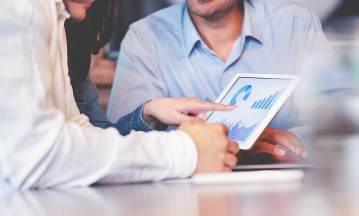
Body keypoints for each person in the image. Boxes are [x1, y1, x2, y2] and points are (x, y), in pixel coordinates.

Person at [0, 0, 239, 190]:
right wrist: (187, 149)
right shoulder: (24, 6)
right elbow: (35, 155)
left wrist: (148, 113)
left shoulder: (56, 16)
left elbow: (80, 130)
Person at [108, 0, 352, 161]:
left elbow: (338, 125)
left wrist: (279, 145)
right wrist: (230, 143)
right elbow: (124, 143)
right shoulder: (145, 37)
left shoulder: (296, 24)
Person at [65, 0, 237, 135]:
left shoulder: (72, 50)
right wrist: (192, 148)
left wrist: (147, 112)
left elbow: (101, 140)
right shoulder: (144, 36)